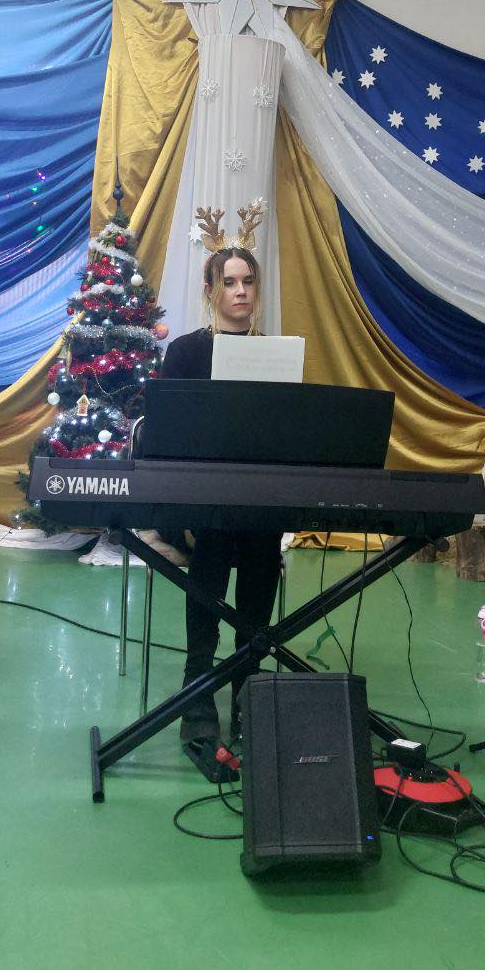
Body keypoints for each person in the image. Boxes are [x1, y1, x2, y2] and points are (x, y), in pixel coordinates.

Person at [160, 205, 282, 779]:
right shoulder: (186, 352)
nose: (240, 291)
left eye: (248, 281)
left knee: (260, 539)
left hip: (255, 496)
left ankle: (249, 675)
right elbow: (170, 434)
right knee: (214, 541)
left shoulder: (274, 352)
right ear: (211, 290)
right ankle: (199, 680)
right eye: (229, 282)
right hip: (200, 497)